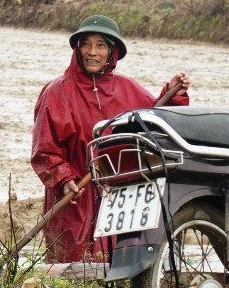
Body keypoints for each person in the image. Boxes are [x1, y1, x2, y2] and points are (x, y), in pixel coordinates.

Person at [30, 15, 191, 263]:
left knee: (120, 266)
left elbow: (157, 120)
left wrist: (173, 94)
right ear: (77, 48)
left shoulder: (129, 89)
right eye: (85, 44)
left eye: (101, 45)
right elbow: (44, 150)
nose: (91, 52)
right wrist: (63, 178)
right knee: (71, 270)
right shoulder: (56, 92)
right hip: (75, 197)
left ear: (112, 52)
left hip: (118, 197)